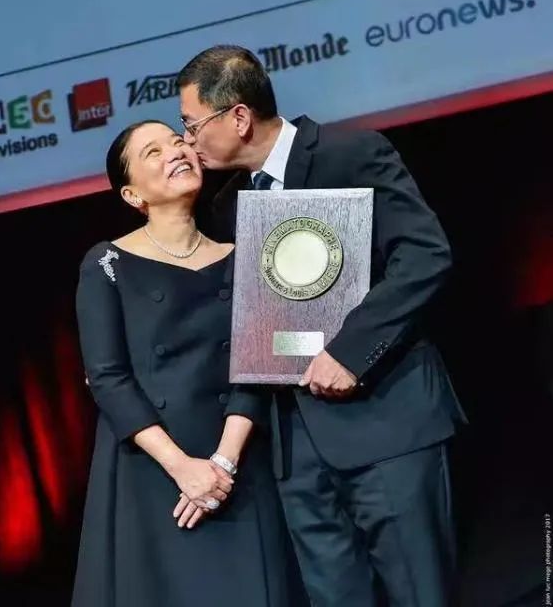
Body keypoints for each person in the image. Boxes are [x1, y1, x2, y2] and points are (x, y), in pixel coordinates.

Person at [177, 45, 469, 607]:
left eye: (192, 125)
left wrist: (350, 351)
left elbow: (424, 255)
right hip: (295, 452)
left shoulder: (351, 154)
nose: (189, 141)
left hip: (385, 425)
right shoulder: (228, 207)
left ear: (239, 117)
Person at [72, 120, 307, 607]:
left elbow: (258, 363)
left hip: (237, 461)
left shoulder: (244, 255)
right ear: (133, 195)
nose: (176, 152)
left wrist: (222, 463)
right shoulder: (107, 263)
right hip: (153, 466)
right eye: (153, 152)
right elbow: (108, 377)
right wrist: (182, 468)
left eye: (178, 141)